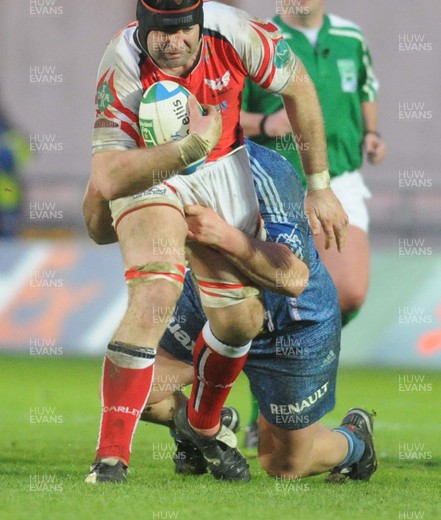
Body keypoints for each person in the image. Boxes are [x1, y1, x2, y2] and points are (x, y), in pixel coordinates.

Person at [84, 0, 347, 484]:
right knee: (154, 291)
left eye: (184, 29)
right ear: (142, 25)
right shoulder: (122, 61)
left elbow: (298, 87)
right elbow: (112, 175)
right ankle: (111, 460)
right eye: (159, 30)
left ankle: (205, 425)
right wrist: (189, 147)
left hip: (223, 174)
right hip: (154, 169)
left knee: (238, 321)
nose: (173, 42)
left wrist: (319, 185)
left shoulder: (239, 33)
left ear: (200, 22)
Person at [139, 140, 377, 483]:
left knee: (284, 466)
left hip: (293, 322)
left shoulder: (268, 169)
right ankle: (204, 427)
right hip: (210, 300)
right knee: (136, 390)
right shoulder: (155, 162)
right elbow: (99, 222)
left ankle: (355, 444)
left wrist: (223, 236)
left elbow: (292, 278)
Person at [240, 0, 387, 444]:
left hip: (340, 180)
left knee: (348, 292)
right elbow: (217, 112)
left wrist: (372, 133)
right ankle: (277, 406)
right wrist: (264, 122)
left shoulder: (350, 38)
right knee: (286, 295)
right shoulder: (258, 40)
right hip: (278, 186)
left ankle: (282, 383)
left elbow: (366, 86)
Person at [0, 107, 31, 237]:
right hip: (9, 195)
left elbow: (27, 154)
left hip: (8, 196)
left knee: (9, 239)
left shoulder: (11, 136)